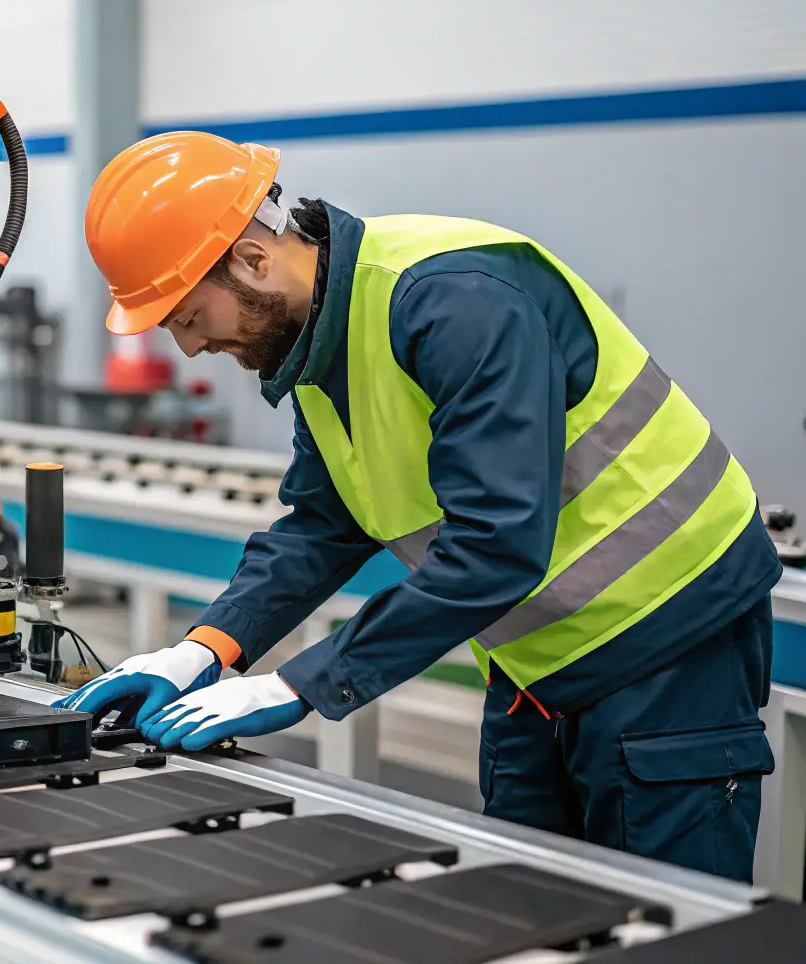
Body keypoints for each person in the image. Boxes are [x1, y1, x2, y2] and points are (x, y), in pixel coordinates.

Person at [60, 131, 779, 881]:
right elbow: (323, 524)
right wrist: (204, 650)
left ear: (252, 260)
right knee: (528, 900)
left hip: (667, 634)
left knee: (666, 915)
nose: (187, 348)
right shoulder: (319, 343)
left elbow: (495, 546)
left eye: (187, 317)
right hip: (536, 660)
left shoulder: (455, 302)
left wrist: (298, 684)